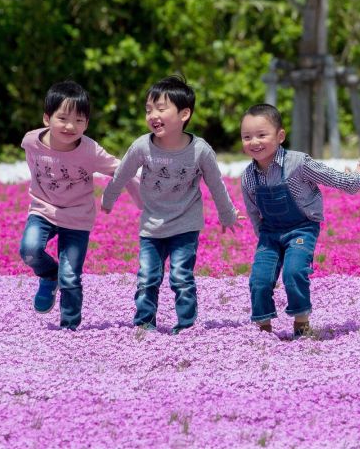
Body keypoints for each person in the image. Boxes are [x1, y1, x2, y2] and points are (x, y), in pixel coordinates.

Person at [101, 75, 242, 334]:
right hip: (152, 227)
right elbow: (122, 173)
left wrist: (227, 214)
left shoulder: (201, 150)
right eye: (148, 110)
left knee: (181, 278)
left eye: (161, 108)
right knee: (147, 279)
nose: (153, 115)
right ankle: (144, 323)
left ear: (184, 113)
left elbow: (215, 183)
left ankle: (186, 324)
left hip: (185, 225)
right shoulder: (142, 146)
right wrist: (108, 198)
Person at [19, 80, 140, 330]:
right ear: (46, 118)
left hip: (77, 217)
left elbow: (120, 168)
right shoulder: (31, 142)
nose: (70, 126)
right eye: (62, 118)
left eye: (79, 120)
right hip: (42, 209)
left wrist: (143, 195)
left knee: (71, 276)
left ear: (87, 124)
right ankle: (48, 274)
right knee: (29, 250)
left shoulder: (90, 150)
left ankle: (70, 327)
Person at [239, 104, 360, 338]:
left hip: (301, 228)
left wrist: (355, 178)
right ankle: (263, 330)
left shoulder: (298, 163)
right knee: (259, 278)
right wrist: (264, 240)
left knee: (294, 272)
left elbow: (332, 177)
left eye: (261, 135)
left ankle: (301, 323)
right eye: (247, 137)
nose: (254, 142)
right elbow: (254, 212)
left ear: (280, 136)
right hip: (270, 233)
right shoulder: (247, 176)